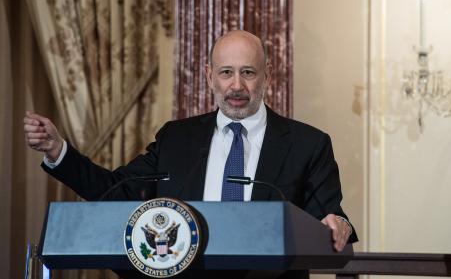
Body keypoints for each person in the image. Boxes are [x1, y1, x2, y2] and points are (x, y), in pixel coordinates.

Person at [24, 30, 357, 278]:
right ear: (209, 76)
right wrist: (58, 151)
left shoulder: (307, 143)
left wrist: (337, 223)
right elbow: (114, 190)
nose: (237, 85)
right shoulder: (176, 138)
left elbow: (329, 216)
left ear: (267, 76)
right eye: (226, 72)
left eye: (248, 72)